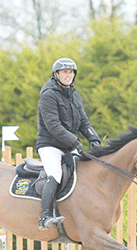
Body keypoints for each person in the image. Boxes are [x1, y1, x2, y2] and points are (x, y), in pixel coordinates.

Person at [36, 57, 101, 230]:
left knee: (85, 173)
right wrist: (76, 142)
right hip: (50, 145)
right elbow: (54, 126)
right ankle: (45, 217)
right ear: (56, 74)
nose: (68, 75)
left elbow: (84, 122)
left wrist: (94, 138)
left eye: (71, 72)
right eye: (65, 72)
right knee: (55, 174)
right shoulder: (48, 95)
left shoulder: (74, 95)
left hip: (68, 145)